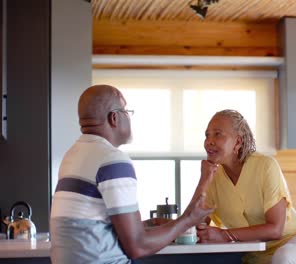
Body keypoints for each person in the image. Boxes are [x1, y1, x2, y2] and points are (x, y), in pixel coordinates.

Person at [50, 84, 216, 263]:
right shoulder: (112, 160)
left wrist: (150, 224)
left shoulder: (73, 156)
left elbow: (99, 228)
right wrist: (188, 219)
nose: (129, 117)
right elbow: (137, 246)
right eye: (126, 110)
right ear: (114, 117)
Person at [196, 109, 296, 264]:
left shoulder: (265, 165)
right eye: (207, 135)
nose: (209, 141)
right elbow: (193, 225)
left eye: (217, 134)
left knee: (283, 257)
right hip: (258, 257)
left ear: (238, 142)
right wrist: (203, 180)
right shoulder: (214, 177)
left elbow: (275, 230)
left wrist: (226, 235)